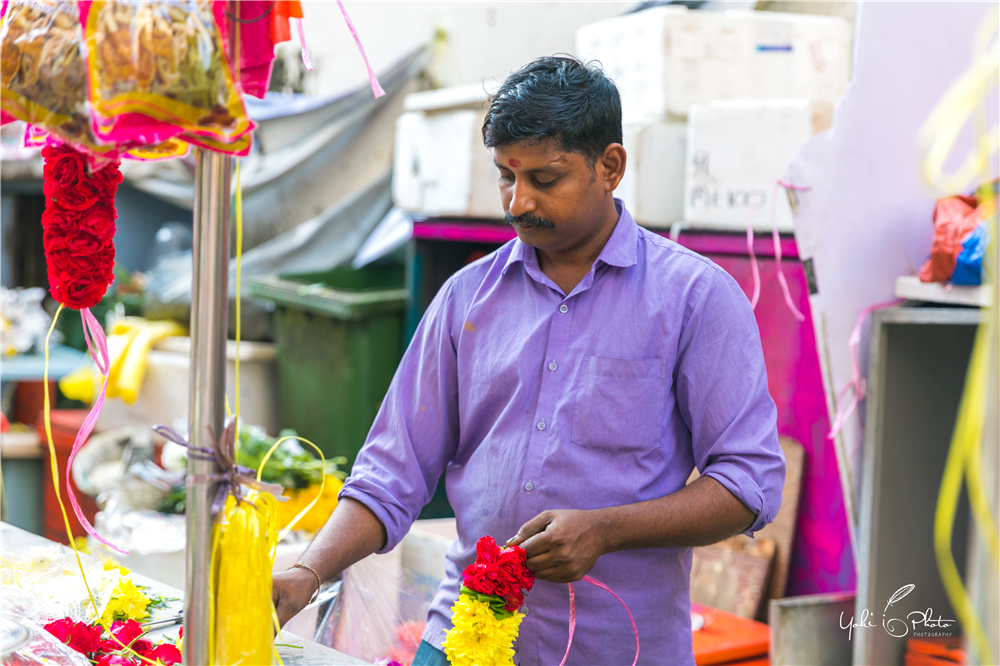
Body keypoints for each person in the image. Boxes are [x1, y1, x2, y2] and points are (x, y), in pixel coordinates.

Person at [273, 55, 785, 666]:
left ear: (610, 167)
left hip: (619, 648)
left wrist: (606, 530)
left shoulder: (694, 297)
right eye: (504, 177)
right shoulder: (466, 298)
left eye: (545, 180)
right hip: (463, 640)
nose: (518, 202)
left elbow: (748, 485)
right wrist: (307, 572)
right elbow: (391, 473)